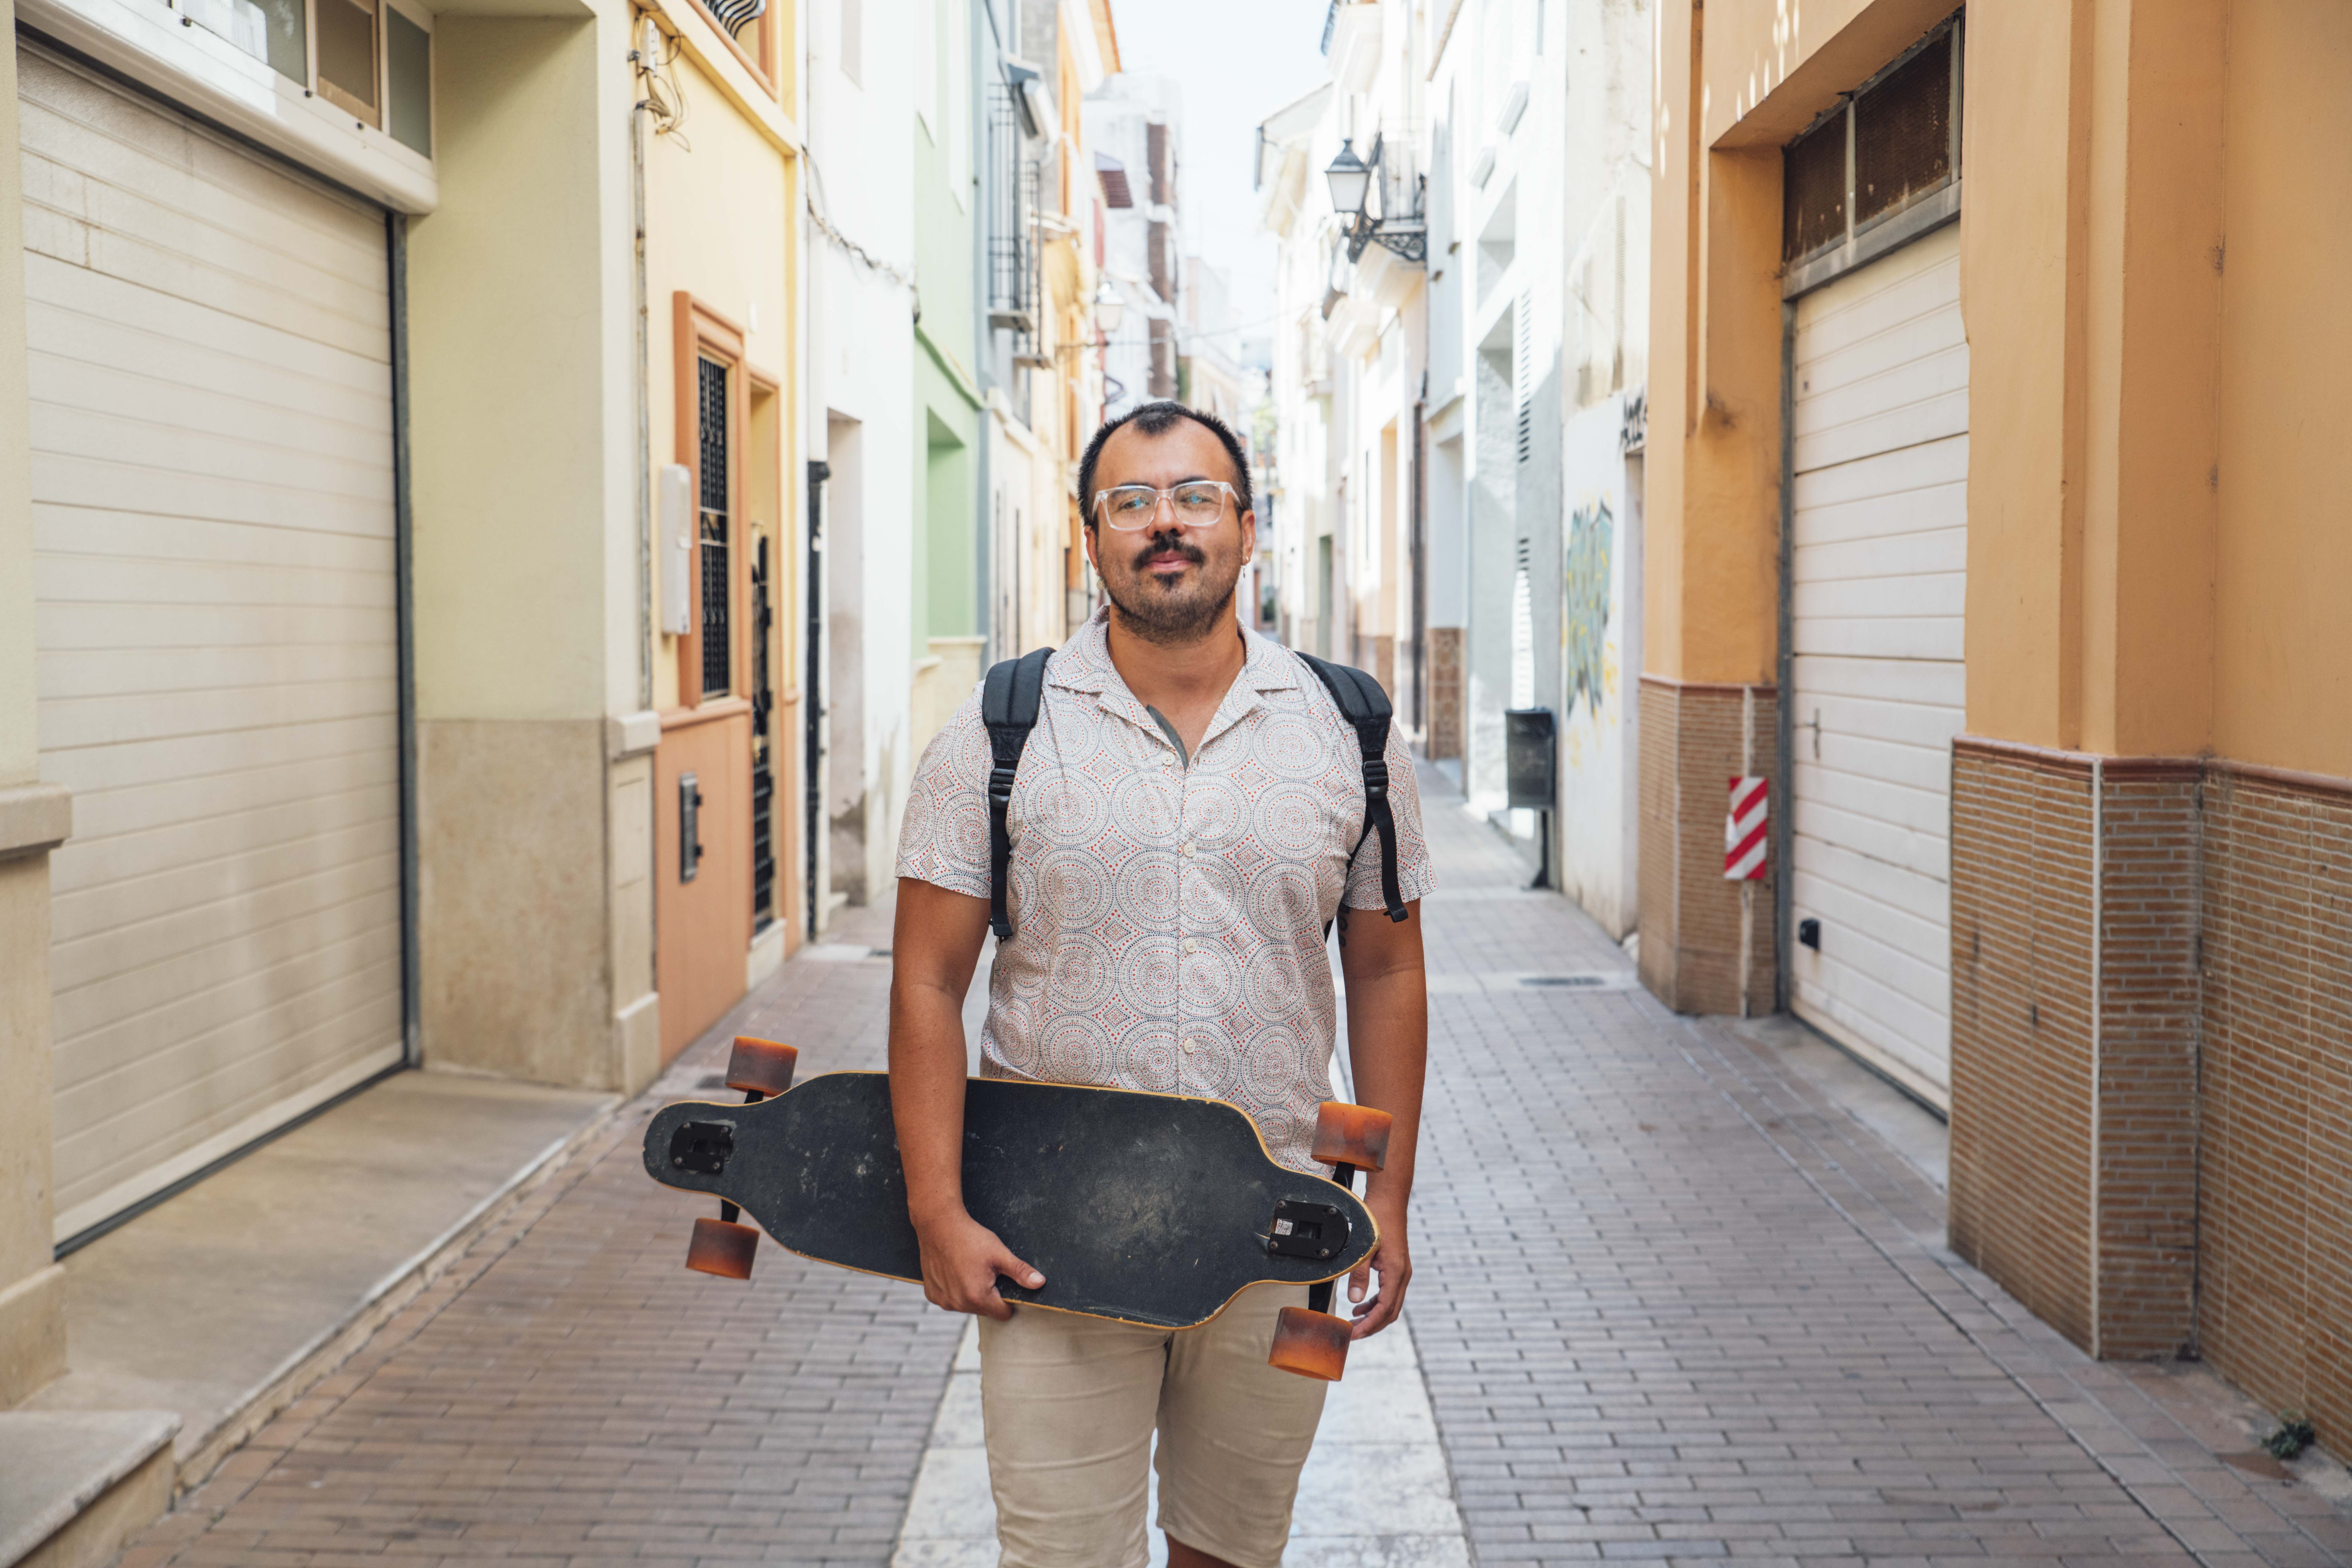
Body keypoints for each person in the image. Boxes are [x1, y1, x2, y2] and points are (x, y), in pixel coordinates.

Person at [888, 399, 1432, 1568]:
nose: (1166, 524)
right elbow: (927, 980)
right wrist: (937, 1209)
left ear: (1248, 527)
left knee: (1233, 1551)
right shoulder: (999, 729)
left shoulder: (1352, 731)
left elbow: (1388, 968)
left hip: (1278, 1225)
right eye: (1131, 502)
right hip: (1049, 1234)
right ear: (1091, 538)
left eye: (1195, 497)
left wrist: (1386, 1196)